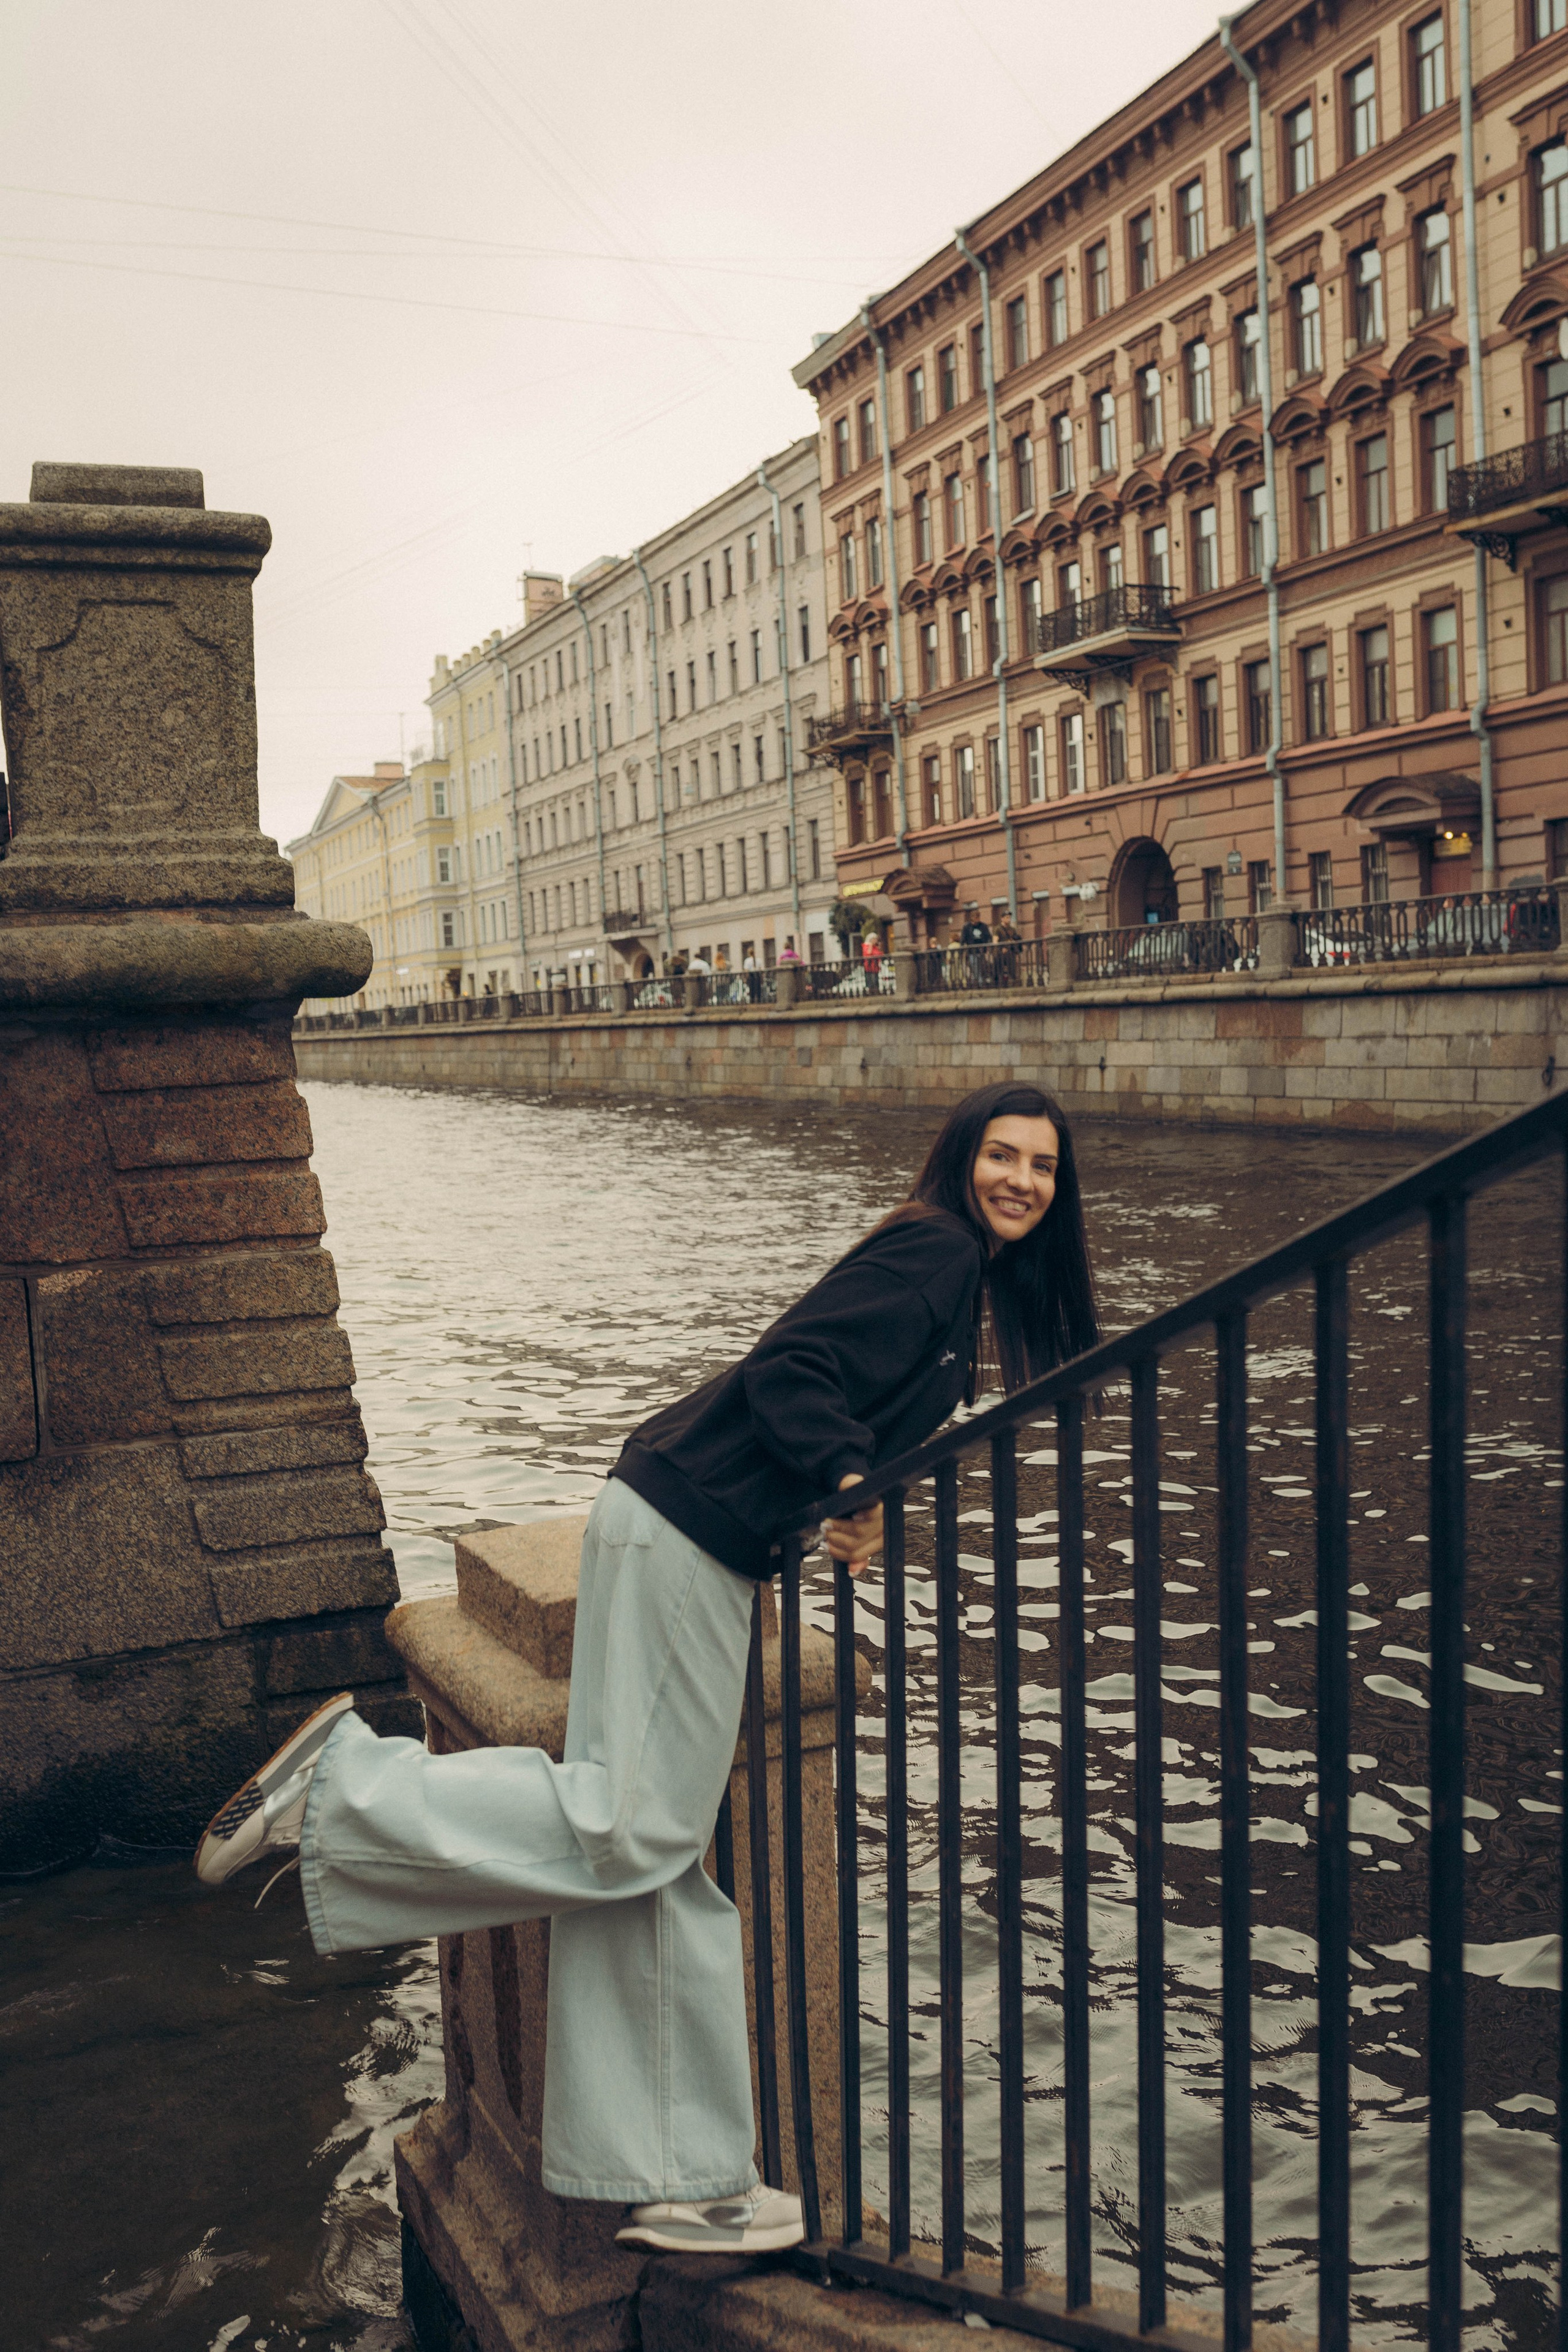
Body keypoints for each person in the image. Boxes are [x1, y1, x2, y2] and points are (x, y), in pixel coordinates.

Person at [192, 1082, 1098, 2258]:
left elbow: (816, 1393)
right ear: (961, 1159)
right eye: (1002, 1155)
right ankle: (343, 1789)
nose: (1020, 1179)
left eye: (1042, 1166)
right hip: (685, 1537)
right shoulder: (935, 1250)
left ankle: (684, 2176)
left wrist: (845, 1493)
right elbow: (791, 1378)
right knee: (631, 1826)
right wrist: (841, 1477)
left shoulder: (949, 1278)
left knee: (654, 1869)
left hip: (679, 1525)